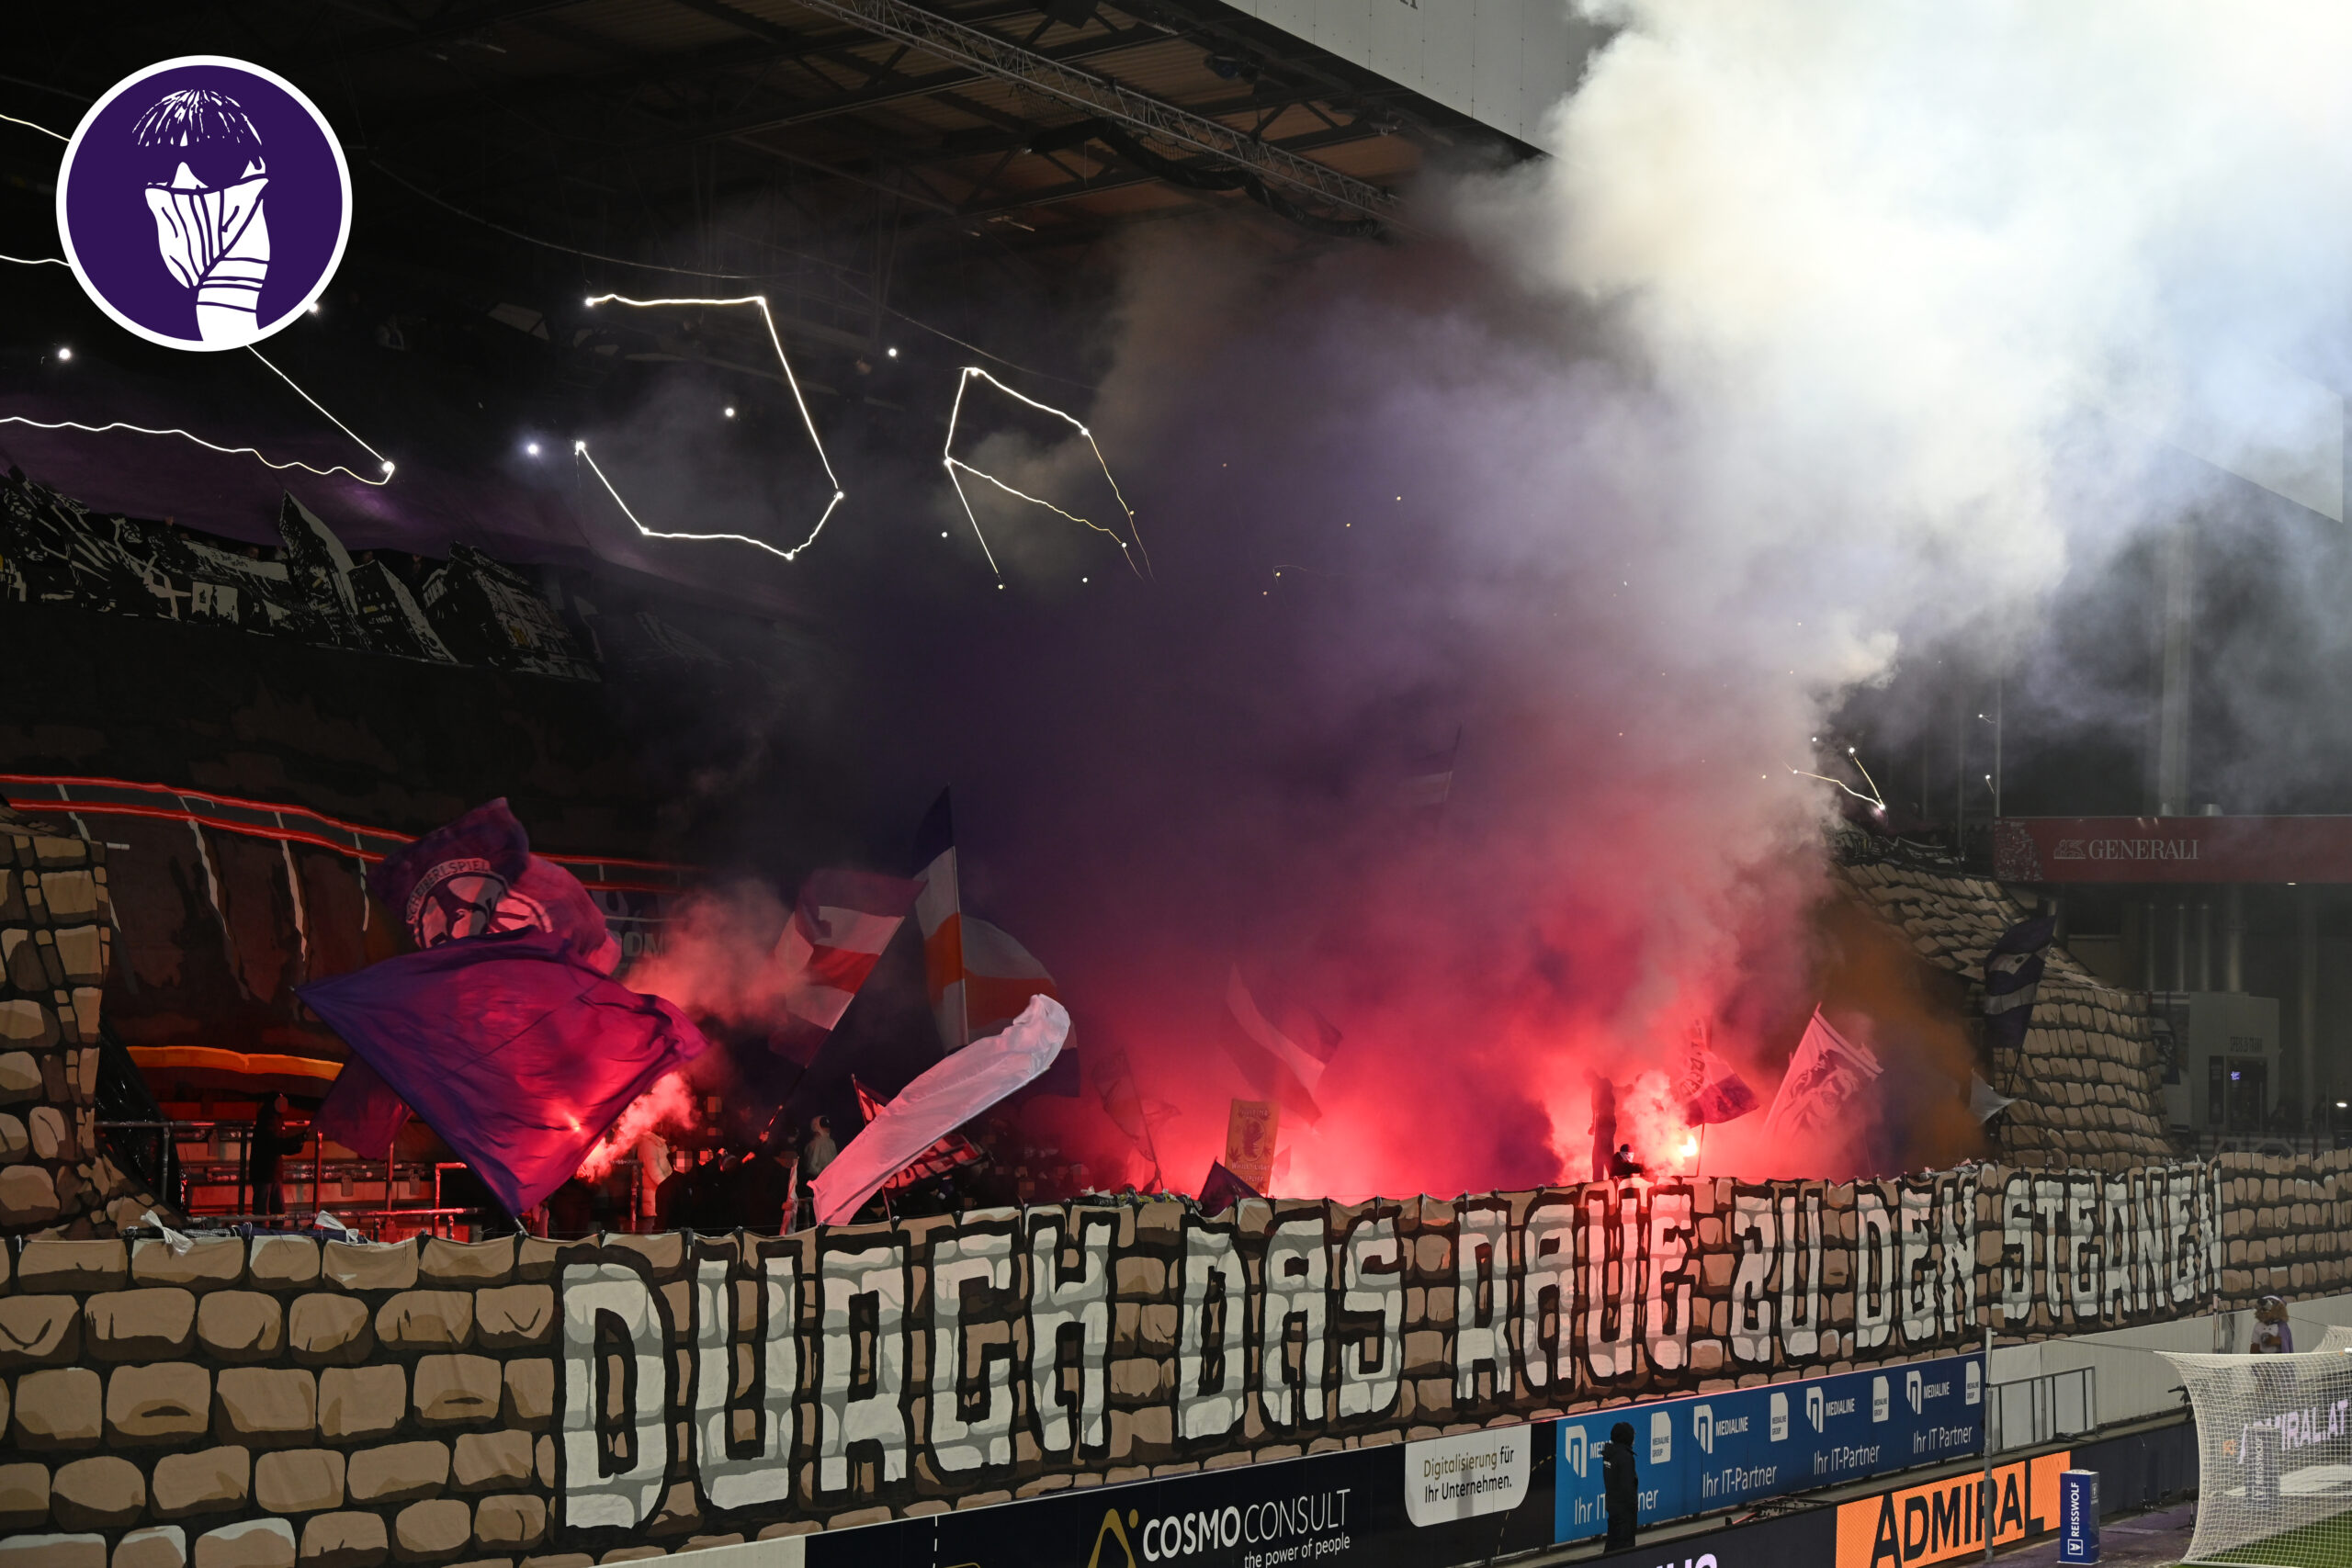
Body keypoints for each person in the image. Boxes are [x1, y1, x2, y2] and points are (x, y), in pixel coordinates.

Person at [245, 1093, 308, 1218]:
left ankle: (265, 1229)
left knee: (269, 1211)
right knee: (270, 1212)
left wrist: (296, 1142)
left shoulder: (272, 1119)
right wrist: (297, 1141)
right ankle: (269, 1229)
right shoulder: (269, 1120)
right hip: (266, 1172)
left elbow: (277, 1144)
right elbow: (275, 1144)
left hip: (269, 1172)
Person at [1601, 1420, 1640, 1549]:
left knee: (1612, 1544)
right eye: (1633, 1435)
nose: (1634, 1438)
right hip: (1624, 1513)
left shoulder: (1609, 1454)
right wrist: (1633, 1507)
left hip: (1613, 1508)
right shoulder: (1625, 1457)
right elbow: (1627, 1487)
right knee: (1624, 1547)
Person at [1587, 1072, 1618, 1184]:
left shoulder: (1601, 1089)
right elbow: (1596, 1110)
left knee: (1599, 1156)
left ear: (1592, 1077)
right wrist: (1593, 1125)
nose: (1587, 1083)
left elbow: (1605, 1108)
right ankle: (1614, 1181)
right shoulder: (1600, 1088)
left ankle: (1598, 1183)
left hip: (1604, 1126)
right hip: (1604, 1126)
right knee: (1606, 1154)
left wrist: (1599, 1122)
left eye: (1588, 1080)